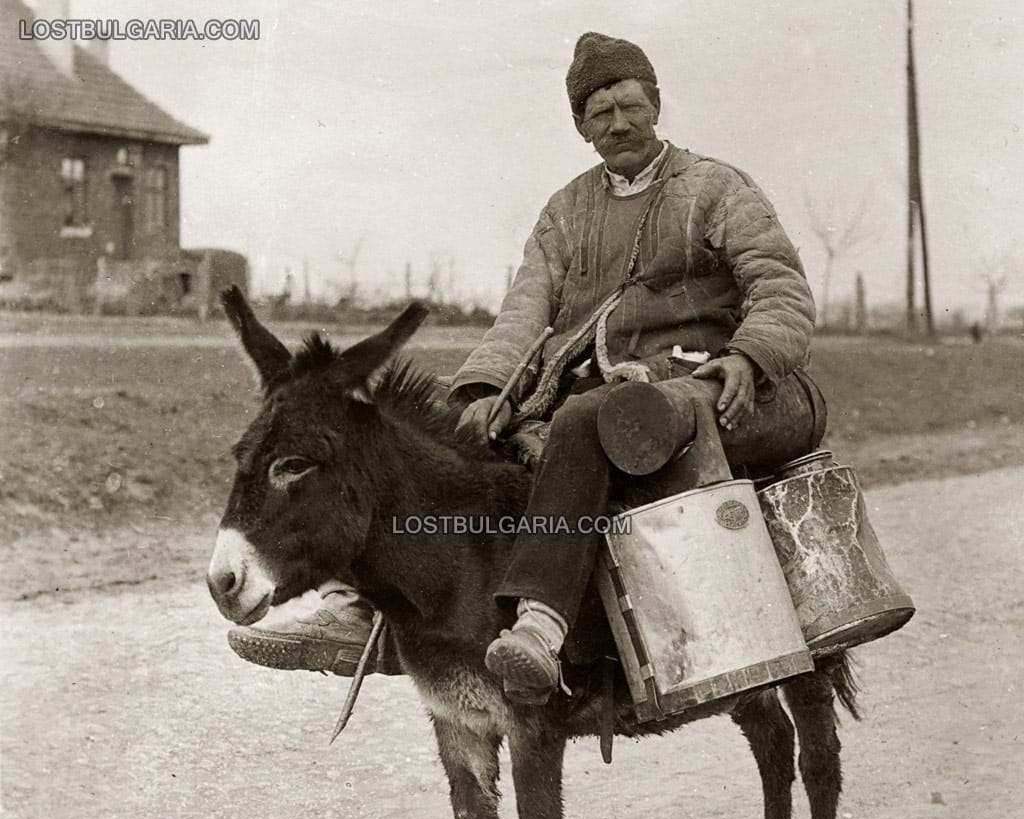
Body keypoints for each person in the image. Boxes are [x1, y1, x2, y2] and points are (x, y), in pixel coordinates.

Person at [229, 31, 820, 699]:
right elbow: (523, 310)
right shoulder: (566, 212)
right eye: (601, 114)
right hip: (579, 393)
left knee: (583, 420)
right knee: (423, 440)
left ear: (656, 104)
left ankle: (541, 623)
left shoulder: (716, 188)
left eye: (631, 105)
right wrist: (480, 390)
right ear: (581, 127)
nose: (619, 123)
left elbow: (780, 285)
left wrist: (749, 355)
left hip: (691, 387)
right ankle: (363, 608)